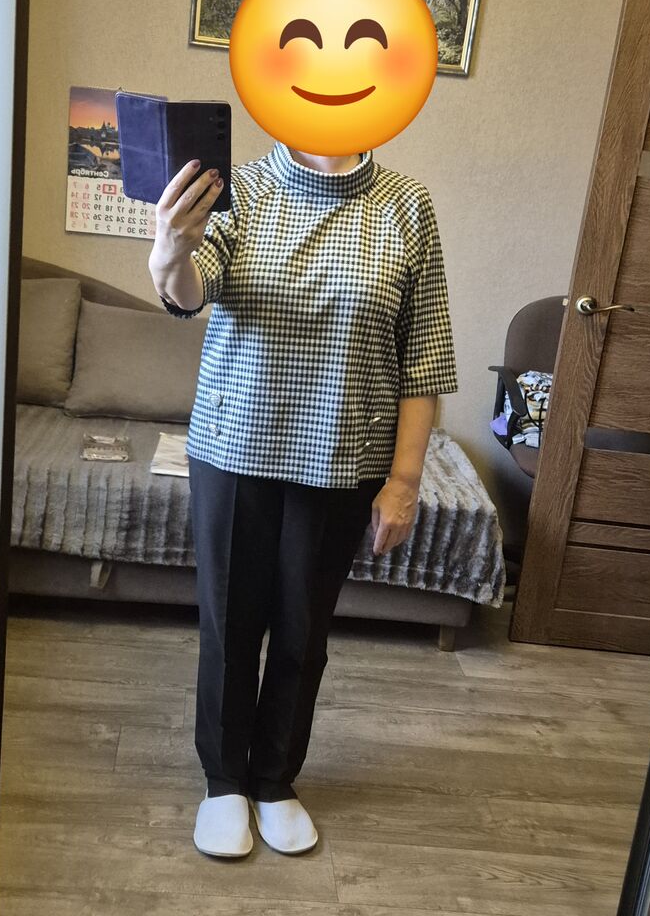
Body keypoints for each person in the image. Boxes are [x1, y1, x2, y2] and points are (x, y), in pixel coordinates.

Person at [148, 140, 458, 859]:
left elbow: (425, 354)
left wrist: (405, 480)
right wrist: (170, 249)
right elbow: (190, 292)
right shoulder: (241, 188)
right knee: (230, 625)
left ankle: (273, 780)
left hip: (343, 457)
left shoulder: (408, 205)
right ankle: (224, 781)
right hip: (234, 448)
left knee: (302, 630)